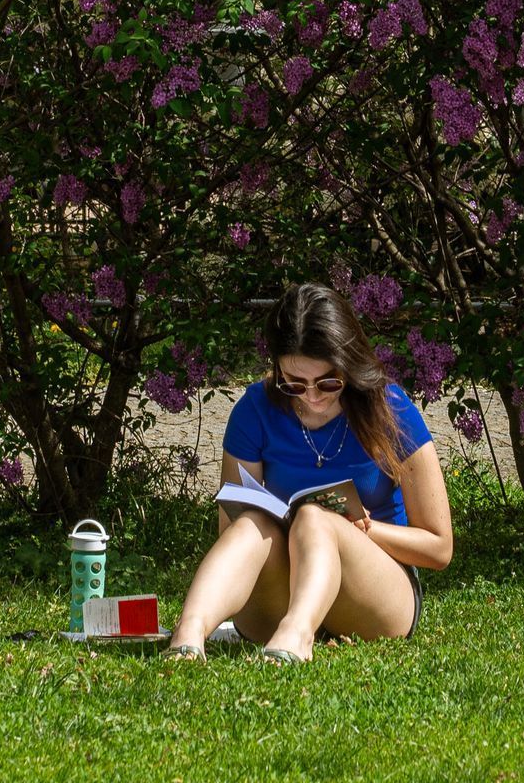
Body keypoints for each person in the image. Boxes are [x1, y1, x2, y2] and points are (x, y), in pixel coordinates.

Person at [167, 283, 454, 663]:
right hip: (279, 588)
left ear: (349, 365)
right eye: (294, 383)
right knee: (252, 521)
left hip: (374, 592)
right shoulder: (256, 408)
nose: (312, 397)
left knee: (316, 518)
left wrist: (365, 529)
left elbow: (439, 547)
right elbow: (231, 531)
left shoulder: (391, 409)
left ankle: (297, 636)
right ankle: (188, 633)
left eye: (328, 382)